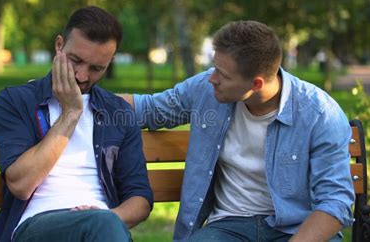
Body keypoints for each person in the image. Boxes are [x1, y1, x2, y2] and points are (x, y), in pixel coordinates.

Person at [121, 20, 354, 241]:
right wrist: (89, 101)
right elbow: (149, 109)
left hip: (297, 229)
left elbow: (335, 202)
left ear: (256, 84)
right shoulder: (205, 89)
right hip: (229, 226)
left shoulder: (320, 114)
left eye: (223, 75)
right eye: (214, 68)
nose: (212, 79)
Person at [0, 6, 153, 242]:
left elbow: (140, 199)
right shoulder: (17, 101)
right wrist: (71, 113)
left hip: (103, 226)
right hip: (36, 224)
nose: (82, 76)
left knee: (103, 226)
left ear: (110, 62)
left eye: (97, 68)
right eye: (76, 60)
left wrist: (108, 217)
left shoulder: (117, 112)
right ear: (59, 45)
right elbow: (21, 184)